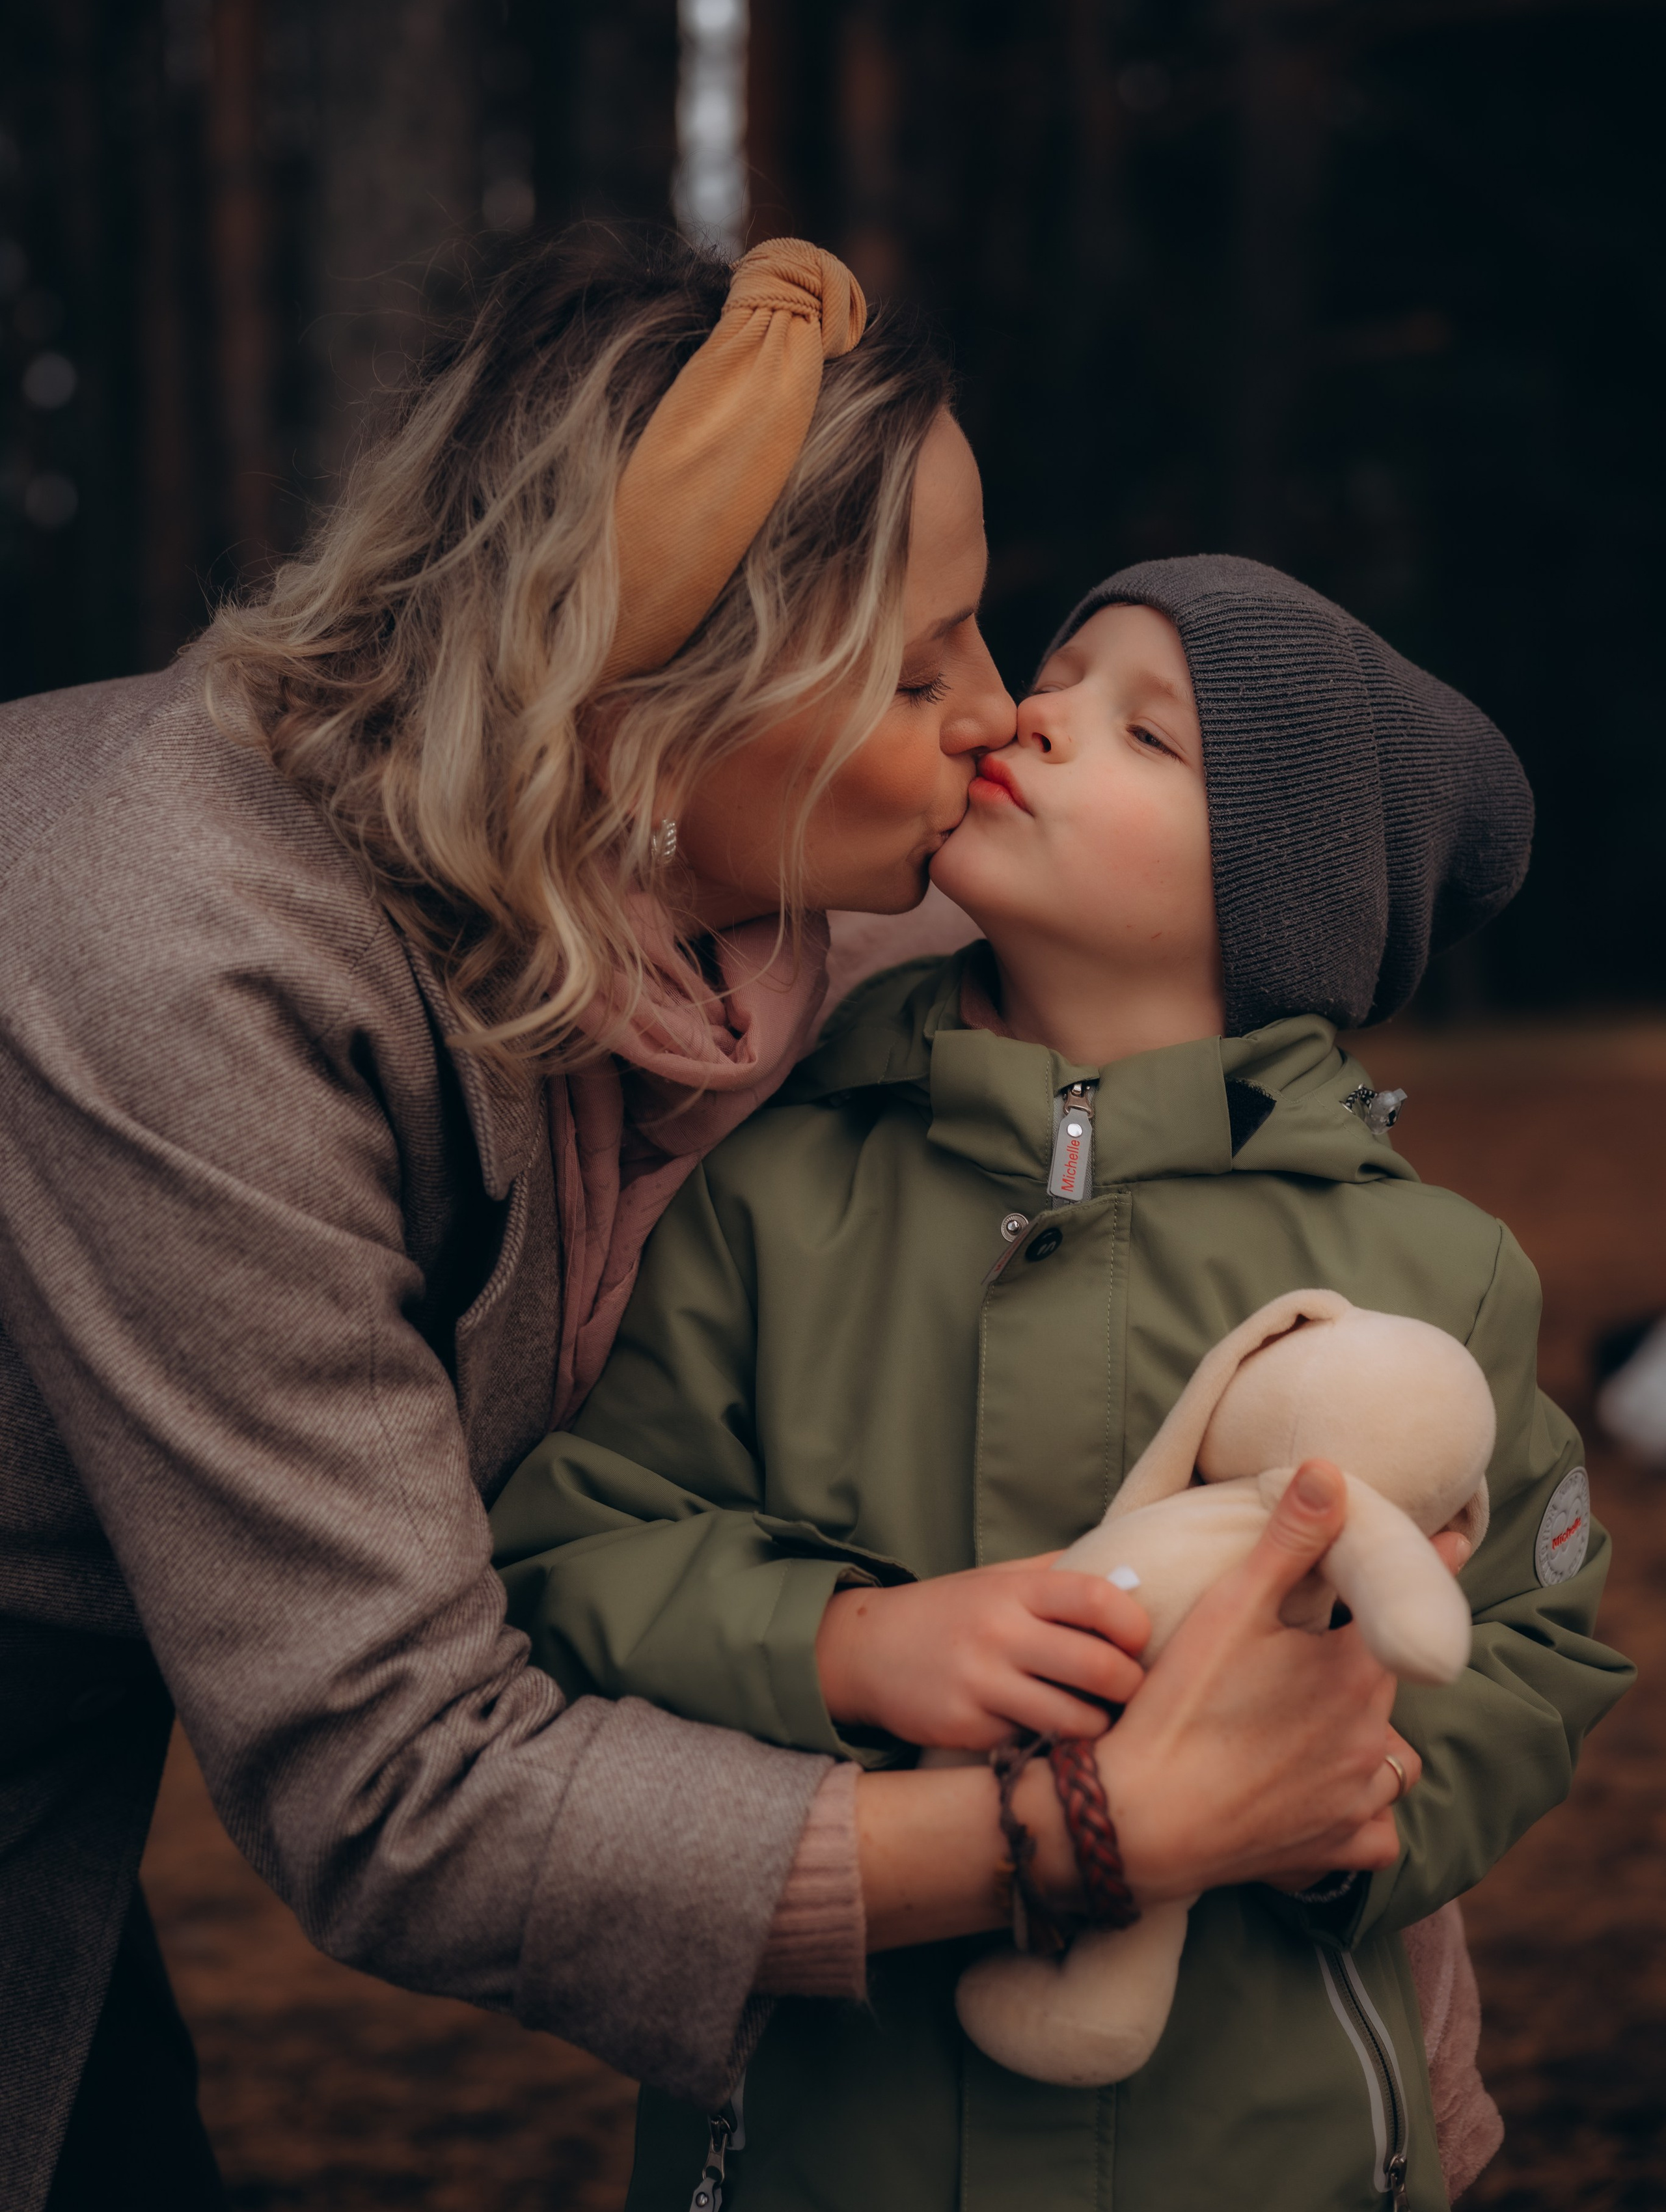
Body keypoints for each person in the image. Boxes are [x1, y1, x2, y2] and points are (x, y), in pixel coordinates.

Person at [0, 238, 1414, 2212]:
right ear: (637, 704)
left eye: (983, 632)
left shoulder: (811, 899)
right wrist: (1081, 1826)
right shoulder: (173, 947)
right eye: (919, 671)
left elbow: (1221, 1131)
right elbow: (396, 1778)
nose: (997, 722)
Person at [491, 554, 1633, 2211]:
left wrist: (1358, 1804)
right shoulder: (775, 1192)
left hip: (1258, 2147)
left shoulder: (1433, 1269)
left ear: (1273, 894)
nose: (1032, 712)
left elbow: (1535, 1636)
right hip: (839, 2142)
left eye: (1143, 730)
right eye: (1060, 669)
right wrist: (843, 1643)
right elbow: (579, 1545)